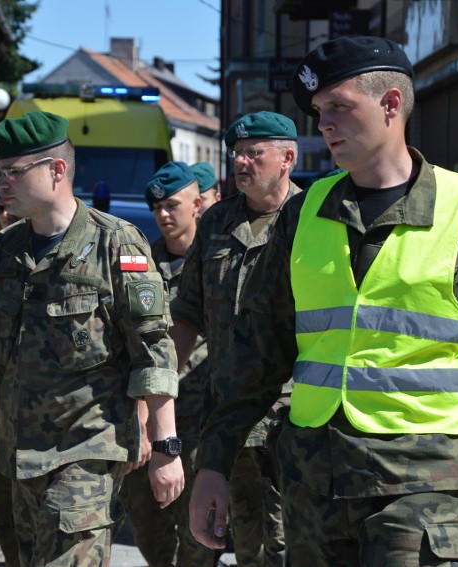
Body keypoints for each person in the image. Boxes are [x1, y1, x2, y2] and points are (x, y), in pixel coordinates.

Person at [188, 36, 458, 567]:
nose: (324, 124)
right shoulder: (305, 213)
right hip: (312, 488)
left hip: (422, 489)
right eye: (319, 112)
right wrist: (215, 462)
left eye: (339, 107)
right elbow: (255, 350)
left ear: (391, 104)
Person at [0, 111, 184, 566]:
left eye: (13, 172)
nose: (0, 182)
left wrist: (166, 447)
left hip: (86, 454)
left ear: (56, 170)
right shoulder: (3, 250)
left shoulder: (115, 244)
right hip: (15, 458)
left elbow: (153, 350)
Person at [171, 111, 301, 567]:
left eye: (253, 152)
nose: (241, 162)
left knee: (295, 541)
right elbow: (187, 310)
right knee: (252, 544)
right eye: (236, 154)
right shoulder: (217, 222)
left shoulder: (314, 219)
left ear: (287, 157)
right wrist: (164, 387)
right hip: (234, 417)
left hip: (298, 417)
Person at [119, 161, 218, 566]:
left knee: (200, 538)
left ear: (197, 204)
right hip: (149, 420)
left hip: (204, 419)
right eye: (155, 206)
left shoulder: (219, 262)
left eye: (171, 205)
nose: (162, 215)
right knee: (148, 526)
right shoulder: (139, 265)